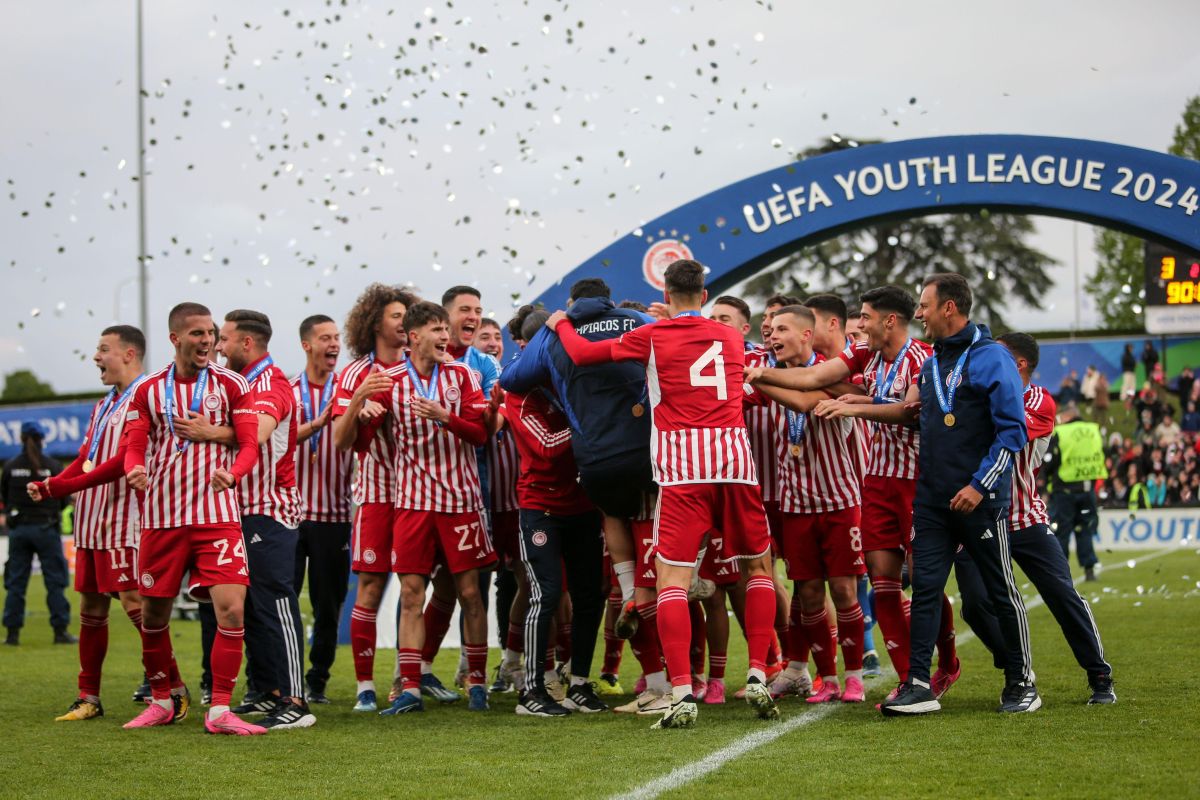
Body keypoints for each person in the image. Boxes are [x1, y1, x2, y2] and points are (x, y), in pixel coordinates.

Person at [548, 258, 781, 729]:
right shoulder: (732, 336)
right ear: (705, 291)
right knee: (757, 566)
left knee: (673, 581)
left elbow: (584, 355)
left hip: (681, 470)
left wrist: (560, 325)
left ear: (666, 290)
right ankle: (757, 671)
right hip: (735, 462)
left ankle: (680, 692)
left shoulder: (653, 335)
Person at [749, 285, 961, 701]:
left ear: (889, 320)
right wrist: (759, 373)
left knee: (922, 582)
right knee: (884, 583)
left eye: (864, 317)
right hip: (876, 483)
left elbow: (908, 412)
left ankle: (948, 661)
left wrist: (852, 406)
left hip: (917, 483)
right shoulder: (862, 356)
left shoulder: (923, 359)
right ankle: (908, 680)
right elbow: (811, 379)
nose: (857, 325)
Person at [69, 302, 264, 733]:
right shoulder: (149, 390)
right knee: (153, 618)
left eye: (210, 334)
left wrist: (232, 474)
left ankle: (220, 711)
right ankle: (161, 701)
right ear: (175, 338)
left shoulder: (232, 384)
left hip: (217, 516)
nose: (207, 341)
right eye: (197, 334)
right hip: (162, 519)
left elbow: (250, 445)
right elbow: (135, 442)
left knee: (232, 610)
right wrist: (136, 466)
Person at [879, 273, 1035, 716]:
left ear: (949, 307)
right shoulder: (930, 364)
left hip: (980, 500)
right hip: (931, 501)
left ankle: (1021, 680)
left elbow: (1013, 433)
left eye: (925, 306)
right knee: (925, 589)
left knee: (998, 591)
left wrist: (979, 485)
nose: (918, 314)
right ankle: (918, 684)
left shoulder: (992, 358)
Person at [30, 326, 182, 721]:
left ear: (129, 353)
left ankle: (173, 688)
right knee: (92, 607)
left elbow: (122, 462)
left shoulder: (149, 394)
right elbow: (87, 456)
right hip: (93, 521)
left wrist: (69, 486)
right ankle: (89, 697)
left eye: (103, 350)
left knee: (137, 604)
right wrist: (53, 485)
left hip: (127, 519)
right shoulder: (104, 404)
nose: (96, 357)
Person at [955, 333, 1115, 705]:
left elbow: (1010, 431)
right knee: (975, 605)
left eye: (997, 356)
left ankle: (1099, 673)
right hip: (979, 520)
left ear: (1019, 364)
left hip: (1024, 518)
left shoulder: (1039, 400)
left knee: (1061, 595)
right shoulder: (974, 396)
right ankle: (1014, 661)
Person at [358, 301, 496, 715]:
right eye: (436, 330)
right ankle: (411, 688)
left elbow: (479, 436)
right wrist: (363, 414)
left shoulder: (463, 375)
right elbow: (361, 446)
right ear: (413, 337)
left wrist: (445, 416)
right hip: (412, 503)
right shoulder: (388, 380)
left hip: (460, 501)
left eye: (444, 330)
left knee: (471, 593)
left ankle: (477, 682)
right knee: (412, 594)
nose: (444, 337)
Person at [500, 278, 654, 643]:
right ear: (608, 299)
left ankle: (632, 589)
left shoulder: (556, 332)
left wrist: (545, 358)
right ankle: (682, 576)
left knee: (613, 514)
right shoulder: (635, 319)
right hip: (644, 451)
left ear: (571, 303)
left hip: (596, 456)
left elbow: (511, 379)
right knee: (656, 516)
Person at [745, 305, 868, 703]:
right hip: (795, 504)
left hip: (838, 499)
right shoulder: (773, 374)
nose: (772, 335)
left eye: (782, 328)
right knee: (810, 594)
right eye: (770, 329)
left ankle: (855, 677)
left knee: (845, 591)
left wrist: (757, 377)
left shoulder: (834, 374)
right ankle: (827, 679)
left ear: (806, 335)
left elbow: (805, 400)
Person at [206, 310, 314, 730]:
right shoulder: (240, 383)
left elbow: (260, 433)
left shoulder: (272, 383)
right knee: (251, 606)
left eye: (225, 340)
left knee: (276, 601)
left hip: (270, 508)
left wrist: (205, 431)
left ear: (246, 344)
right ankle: (268, 691)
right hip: (240, 509)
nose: (218, 347)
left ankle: (296, 700)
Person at [332, 285, 438, 707]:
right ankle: (364, 688)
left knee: (415, 590)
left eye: (408, 316)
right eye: (396, 315)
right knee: (371, 589)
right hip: (377, 494)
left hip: (421, 498)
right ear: (376, 322)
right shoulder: (356, 372)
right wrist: (360, 402)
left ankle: (406, 682)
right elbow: (341, 441)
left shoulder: (433, 370)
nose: (403, 322)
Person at [500, 308, 608, 716]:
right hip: (540, 506)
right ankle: (532, 690)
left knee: (589, 594)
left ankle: (578, 681)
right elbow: (545, 445)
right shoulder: (518, 392)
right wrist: (594, 425)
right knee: (545, 594)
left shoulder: (572, 379)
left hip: (582, 503)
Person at [290, 315, 355, 704]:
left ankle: (318, 680)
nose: (334, 345)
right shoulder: (287, 389)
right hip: (291, 516)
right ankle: (288, 676)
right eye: (325, 338)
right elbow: (276, 439)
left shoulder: (348, 388)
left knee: (328, 606)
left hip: (335, 517)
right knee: (285, 600)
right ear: (306, 345)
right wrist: (317, 424)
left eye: (337, 338)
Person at [2, 422, 75, 646]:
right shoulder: (53, 465)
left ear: (22, 438)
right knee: (55, 582)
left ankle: (12, 634)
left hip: (19, 531)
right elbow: (63, 498)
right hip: (47, 530)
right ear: (43, 439)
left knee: (15, 583)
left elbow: (4, 497)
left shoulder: (11, 466)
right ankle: (60, 632)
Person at [1046, 402, 1108, 581]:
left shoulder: (1061, 433)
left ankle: (1060, 571)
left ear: (1066, 416)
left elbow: (1050, 461)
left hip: (1064, 491)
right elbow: (1101, 454)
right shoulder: (1093, 430)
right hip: (1087, 489)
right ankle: (1089, 569)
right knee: (1085, 529)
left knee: (1061, 532)